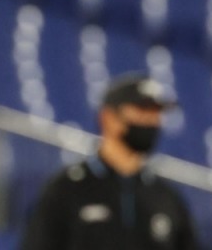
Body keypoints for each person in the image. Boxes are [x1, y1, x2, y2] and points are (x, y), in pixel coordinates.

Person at [20, 74, 199, 250]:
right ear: (109, 118)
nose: (152, 121)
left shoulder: (167, 198)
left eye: (156, 114)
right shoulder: (66, 189)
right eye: (142, 110)